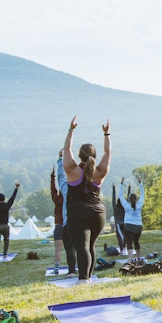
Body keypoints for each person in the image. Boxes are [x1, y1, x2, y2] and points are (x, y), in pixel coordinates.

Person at [63, 116, 111, 284]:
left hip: (78, 212)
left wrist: (71, 130)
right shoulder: (100, 172)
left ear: (79, 156)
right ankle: (88, 278)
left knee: (82, 247)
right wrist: (107, 134)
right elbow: (108, 153)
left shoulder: (71, 169)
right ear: (94, 155)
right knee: (90, 246)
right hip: (98, 213)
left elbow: (66, 148)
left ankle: (83, 279)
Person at [57, 150, 77, 276]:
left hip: (68, 222)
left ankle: (72, 271)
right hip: (81, 221)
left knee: (69, 248)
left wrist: (61, 160)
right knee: (84, 247)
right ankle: (86, 271)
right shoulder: (82, 187)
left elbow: (60, 177)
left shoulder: (66, 188)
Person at [0, 180, 19, 258]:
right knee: (6, 240)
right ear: (4, 199)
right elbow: (12, 198)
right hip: (5, 226)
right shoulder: (6, 206)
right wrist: (16, 188)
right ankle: (5, 254)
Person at [120, 177, 145, 263]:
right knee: (136, 242)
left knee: (129, 243)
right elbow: (143, 194)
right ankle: (138, 258)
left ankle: (130, 259)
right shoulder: (139, 205)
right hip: (138, 226)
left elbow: (120, 196)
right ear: (136, 199)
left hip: (128, 226)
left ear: (129, 199)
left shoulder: (126, 206)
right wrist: (140, 183)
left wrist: (121, 184)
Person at [50, 166, 65, 274]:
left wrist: (53, 177)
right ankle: (73, 267)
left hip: (59, 225)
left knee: (58, 249)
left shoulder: (56, 199)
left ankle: (56, 268)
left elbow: (52, 189)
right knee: (71, 248)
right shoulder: (69, 199)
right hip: (68, 224)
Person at [112, 182, 130, 255]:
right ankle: (124, 248)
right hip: (125, 224)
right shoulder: (125, 207)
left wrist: (113, 188)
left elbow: (113, 198)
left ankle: (122, 250)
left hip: (119, 225)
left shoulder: (115, 207)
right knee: (125, 236)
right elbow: (128, 198)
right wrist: (129, 188)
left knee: (120, 237)